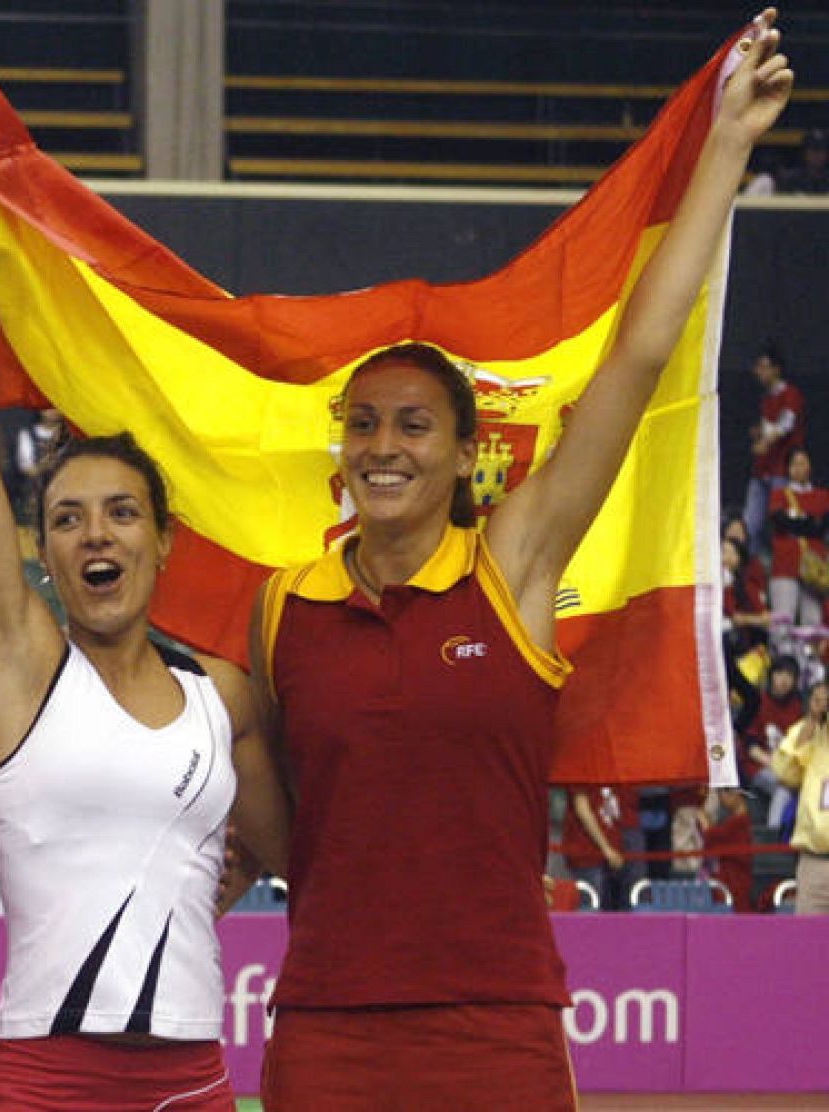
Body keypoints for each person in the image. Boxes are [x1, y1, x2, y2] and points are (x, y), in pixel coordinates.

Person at [251, 19, 790, 1108]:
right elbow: (277, 806)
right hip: (324, 1022)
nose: (383, 447)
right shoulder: (280, 606)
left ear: (463, 453)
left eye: (411, 426)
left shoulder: (512, 567)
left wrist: (724, 152)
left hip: (496, 1024)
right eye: (362, 424)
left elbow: (638, 357)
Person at [0, 258, 290, 1110]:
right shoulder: (20, 668)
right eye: (67, 518)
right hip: (46, 1079)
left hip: (193, 1081)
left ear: (164, 542)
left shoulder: (224, 697)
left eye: (122, 513)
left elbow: (303, 859)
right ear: (45, 554)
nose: (97, 534)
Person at [772, 678, 829, 913]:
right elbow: (784, 773)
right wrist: (813, 721)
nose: (823, 704)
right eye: (817, 700)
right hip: (814, 861)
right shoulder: (805, 733)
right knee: (810, 940)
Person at [742, 344, 806, 544]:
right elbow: (768, 426)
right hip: (762, 470)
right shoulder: (766, 398)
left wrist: (765, 442)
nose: (758, 371)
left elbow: (786, 424)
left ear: (776, 369)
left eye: (763, 366)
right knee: (750, 524)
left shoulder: (790, 393)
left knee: (783, 525)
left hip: (781, 471)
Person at [767, 445, 828, 631]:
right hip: (785, 566)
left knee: (813, 621)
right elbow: (780, 522)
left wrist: (797, 520)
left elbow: (821, 527)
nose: (799, 468)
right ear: (788, 469)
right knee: (783, 621)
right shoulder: (778, 495)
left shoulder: (823, 496)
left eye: (803, 463)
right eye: (795, 464)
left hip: (814, 569)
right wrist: (810, 521)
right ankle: (783, 660)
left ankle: (810, 661)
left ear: (810, 466)